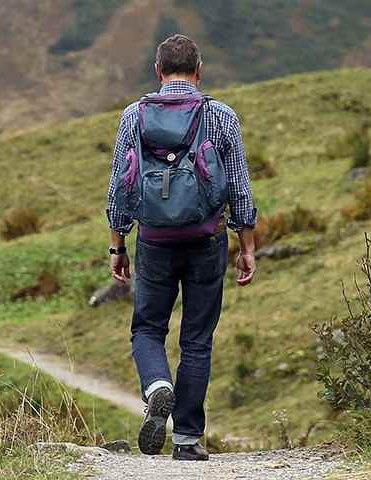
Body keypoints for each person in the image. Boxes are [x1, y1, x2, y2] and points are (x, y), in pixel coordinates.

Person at [106, 34, 257, 461]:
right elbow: (240, 189)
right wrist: (246, 245)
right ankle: (187, 439)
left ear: (158, 71)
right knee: (197, 339)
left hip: (153, 240)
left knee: (148, 328)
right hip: (207, 239)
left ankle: (157, 386)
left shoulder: (134, 116)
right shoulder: (221, 116)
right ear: (199, 70)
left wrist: (118, 245)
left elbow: (120, 184)